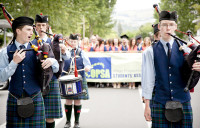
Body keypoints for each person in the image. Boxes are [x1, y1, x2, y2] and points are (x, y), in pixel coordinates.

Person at [0, 16, 59, 127]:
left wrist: (52, 61)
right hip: (15, 98)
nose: (32, 32)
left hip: (35, 97)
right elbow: (1, 78)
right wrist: (14, 62)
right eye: (28, 29)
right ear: (18, 30)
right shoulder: (5, 52)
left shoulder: (41, 48)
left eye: (32, 29)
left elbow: (56, 69)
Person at [142, 11, 193, 127]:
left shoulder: (187, 50)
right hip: (160, 102)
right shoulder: (149, 52)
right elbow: (148, 80)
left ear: (175, 27)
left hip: (183, 101)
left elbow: (192, 75)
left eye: (171, 24)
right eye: (164, 24)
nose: (167, 28)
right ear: (159, 27)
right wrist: (147, 106)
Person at [33, 13, 63, 128]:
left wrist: (61, 55)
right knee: (36, 115)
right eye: (39, 25)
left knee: (50, 116)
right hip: (35, 82)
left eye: (43, 25)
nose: (41, 28)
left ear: (47, 27)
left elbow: (59, 66)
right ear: (35, 27)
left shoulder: (54, 43)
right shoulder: (31, 43)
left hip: (51, 80)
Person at [62, 34, 91, 128]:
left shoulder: (81, 52)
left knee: (77, 101)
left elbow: (88, 64)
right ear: (68, 41)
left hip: (79, 79)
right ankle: (67, 122)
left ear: (78, 42)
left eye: (75, 41)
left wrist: (87, 67)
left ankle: (77, 122)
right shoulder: (64, 51)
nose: (73, 43)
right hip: (67, 79)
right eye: (71, 41)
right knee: (68, 101)